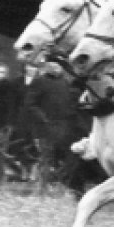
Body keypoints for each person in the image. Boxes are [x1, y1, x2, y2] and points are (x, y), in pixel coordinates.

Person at [24, 60, 82, 191]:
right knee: (46, 159)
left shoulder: (65, 82)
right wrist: (43, 118)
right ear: (47, 66)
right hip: (45, 129)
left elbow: (69, 103)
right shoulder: (39, 81)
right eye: (52, 64)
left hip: (64, 128)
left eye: (58, 65)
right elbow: (30, 104)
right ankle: (42, 189)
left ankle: (62, 185)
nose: (55, 67)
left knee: (69, 158)